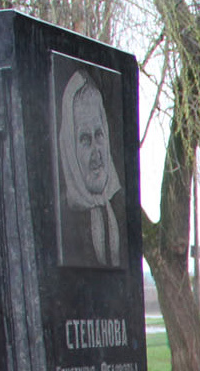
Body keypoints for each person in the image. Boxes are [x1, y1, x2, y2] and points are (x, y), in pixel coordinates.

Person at [57, 69, 123, 268]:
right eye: (85, 139)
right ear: (70, 148)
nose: (97, 152)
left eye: (99, 135)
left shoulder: (120, 206)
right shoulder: (64, 221)